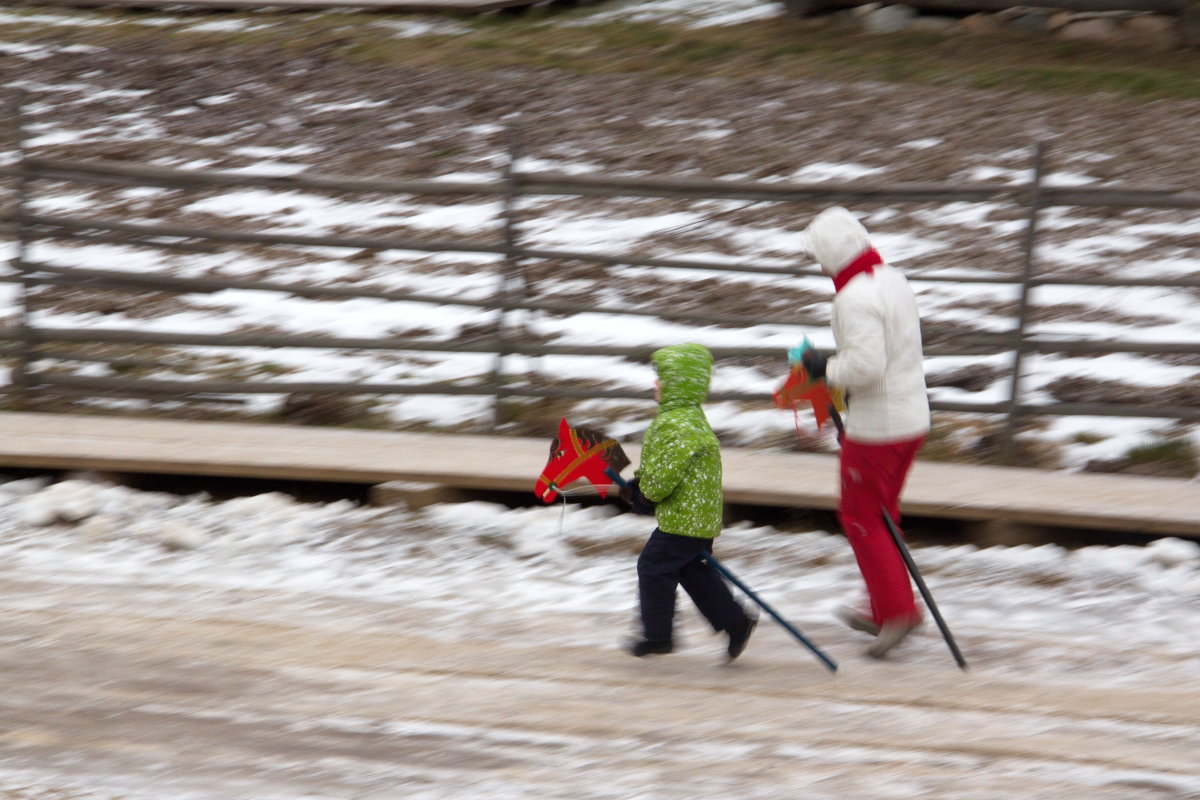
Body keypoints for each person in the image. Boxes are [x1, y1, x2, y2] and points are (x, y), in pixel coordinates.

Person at [798, 207, 930, 659]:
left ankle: (896, 613)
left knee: (860, 516)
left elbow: (868, 367)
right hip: (911, 418)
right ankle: (882, 605)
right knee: (882, 513)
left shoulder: (853, 298)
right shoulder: (891, 278)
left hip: (879, 428)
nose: (820, 267)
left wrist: (824, 368)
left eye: (820, 257)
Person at [622, 342, 757, 661]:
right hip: (698, 515)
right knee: (690, 569)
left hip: (684, 516)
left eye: (663, 379)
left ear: (680, 386)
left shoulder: (675, 424)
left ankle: (657, 635)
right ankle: (735, 621)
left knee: (653, 566)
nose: (656, 384)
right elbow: (662, 462)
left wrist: (646, 494)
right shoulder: (688, 417)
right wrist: (640, 481)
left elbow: (666, 473)